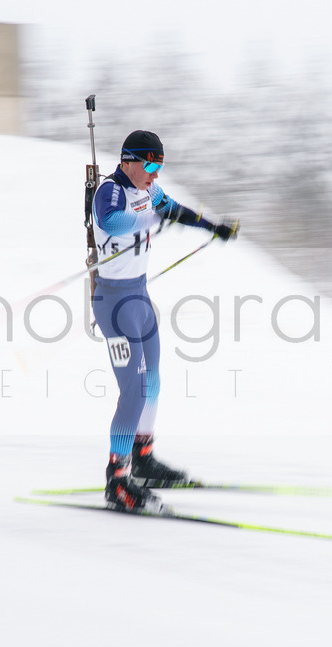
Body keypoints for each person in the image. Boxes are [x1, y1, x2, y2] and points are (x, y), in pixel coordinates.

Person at [91, 130, 236, 513]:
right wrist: (154, 217)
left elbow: (175, 209)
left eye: (160, 167)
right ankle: (117, 479)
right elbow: (114, 223)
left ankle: (143, 458)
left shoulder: (150, 192)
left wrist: (213, 226)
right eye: (150, 165)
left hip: (139, 298)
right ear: (129, 161)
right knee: (133, 391)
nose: (155, 175)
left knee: (152, 380)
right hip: (113, 304)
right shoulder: (111, 191)